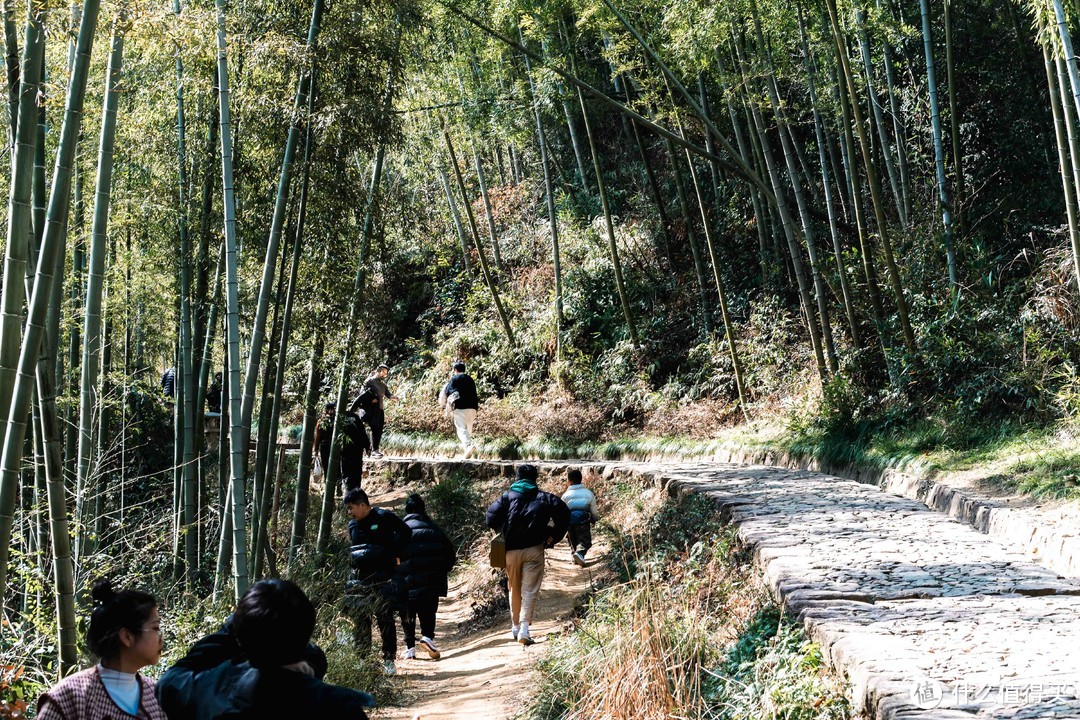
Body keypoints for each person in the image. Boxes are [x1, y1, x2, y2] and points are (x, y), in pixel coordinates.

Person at [156, 579, 375, 719]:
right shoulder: (338, 708)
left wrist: (239, 620)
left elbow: (169, 681)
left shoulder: (207, 691)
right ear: (307, 631)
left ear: (240, 636)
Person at [36, 577, 167, 720]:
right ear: (127, 637)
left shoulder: (157, 696)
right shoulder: (70, 696)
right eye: (156, 628)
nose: (161, 637)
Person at [485, 464, 569, 646]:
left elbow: (490, 518)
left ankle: (515, 626)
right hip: (534, 550)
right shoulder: (546, 498)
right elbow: (564, 515)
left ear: (517, 478)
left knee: (513, 587)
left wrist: (502, 529)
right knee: (529, 589)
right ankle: (524, 628)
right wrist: (552, 536)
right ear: (535, 478)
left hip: (510, 551)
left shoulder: (507, 498)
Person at [344, 488, 411, 674]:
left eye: (351, 508)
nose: (349, 512)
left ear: (363, 505)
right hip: (361, 581)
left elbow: (406, 532)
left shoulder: (384, 517)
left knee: (385, 619)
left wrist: (395, 554)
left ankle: (389, 660)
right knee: (361, 620)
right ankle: (363, 661)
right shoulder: (353, 526)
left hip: (384, 578)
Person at [397, 494, 456, 661]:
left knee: (407, 614)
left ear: (407, 511)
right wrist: (441, 571)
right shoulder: (435, 530)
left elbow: (391, 556)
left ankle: (410, 649)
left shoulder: (401, 532)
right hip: (431, 581)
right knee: (428, 611)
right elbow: (450, 556)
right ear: (423, 510)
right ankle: (427, 637)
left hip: (406, 582)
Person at [438, 361, 479, 458]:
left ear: (455, 370)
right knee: (468, 430)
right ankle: (467, 451)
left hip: (460, 407)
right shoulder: (470, 379)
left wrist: (444, 404)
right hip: (473, 408)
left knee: (461, 429)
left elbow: (447, 392)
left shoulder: (454, 379)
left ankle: (468, 446)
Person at [355, 364, 395, 458]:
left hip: (380, 409)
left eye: (386, 373)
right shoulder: (369, 381)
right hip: (370, 408)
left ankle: (374, 450)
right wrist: (371, 398)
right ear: (379, 370)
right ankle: (371, 449)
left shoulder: (383, 385)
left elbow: (388, 394)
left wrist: (394, 397)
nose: (385, 374)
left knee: (379, 429)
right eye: (384, 372)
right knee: (373, 427)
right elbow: (362, 394)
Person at [561, 468, 600, 567]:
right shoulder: (588, 493)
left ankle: (575, 554)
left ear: (569, 482)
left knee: (572, 539)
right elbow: (593, 509)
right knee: (585, 540)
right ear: (580, 480)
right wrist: (595, 518)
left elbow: (561, 510)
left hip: (569, 521)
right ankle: (579, 554)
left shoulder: (565, 495)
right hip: (583, 520)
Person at [339, 409, 370, 490]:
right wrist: (367, 446)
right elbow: (363, 432)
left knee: (346, 470)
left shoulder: (338, 417)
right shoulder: (354, 416)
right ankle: (356, 490)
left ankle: (349, 491)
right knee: (356, 470)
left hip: (345, 450)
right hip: (357, 448)